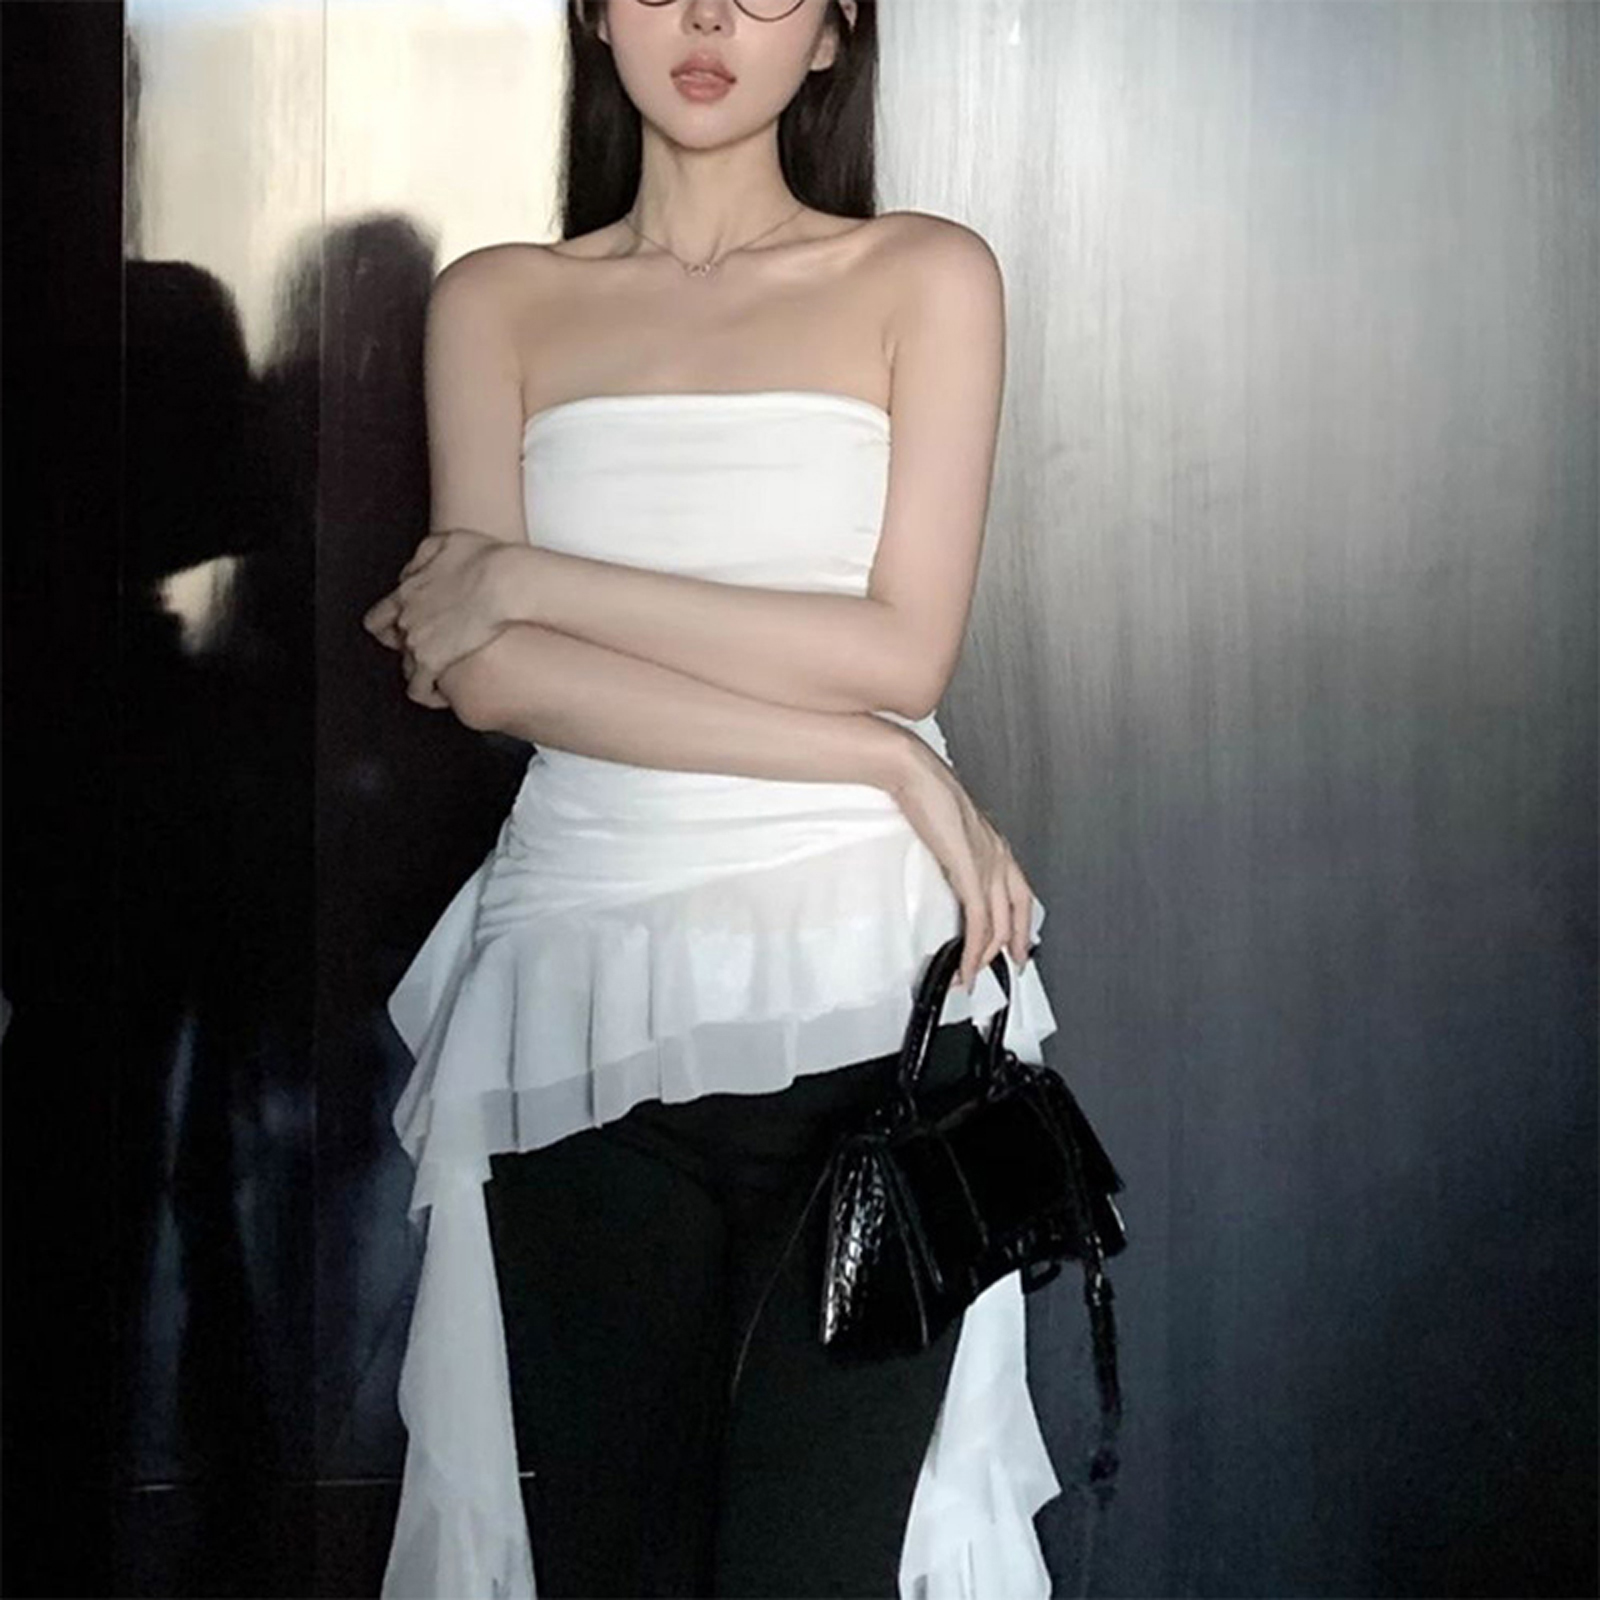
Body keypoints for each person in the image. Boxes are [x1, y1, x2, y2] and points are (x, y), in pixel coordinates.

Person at [362, 1, 1064, 1594]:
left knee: (814, 1568)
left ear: (832, 34)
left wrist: (530, 575)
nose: (705, 16)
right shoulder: (498, 302)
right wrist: (881, 758)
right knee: (616, 1558)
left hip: (873, 1003)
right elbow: (486, 676)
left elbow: (899, 647)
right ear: (594, 13)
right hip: (579, 991)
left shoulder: (925, 278)